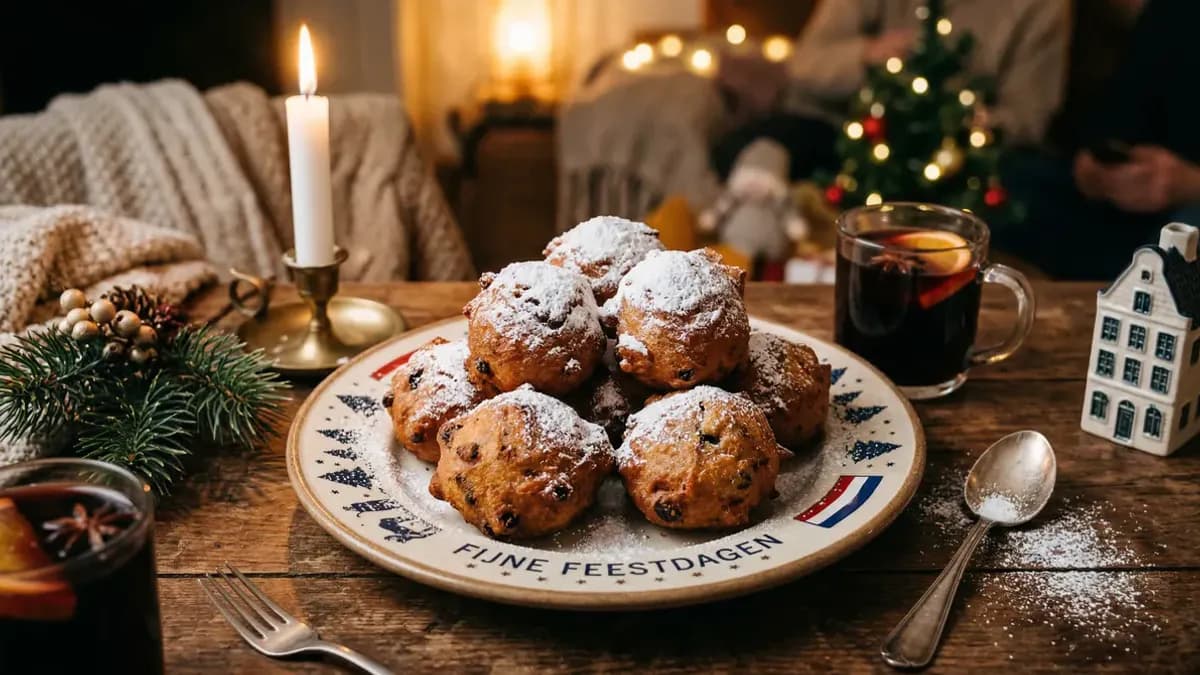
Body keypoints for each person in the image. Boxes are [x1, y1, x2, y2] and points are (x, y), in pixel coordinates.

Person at [712, 0, 1070, 181]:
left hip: (959, 157)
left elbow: (1029, 115)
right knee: (747, 145)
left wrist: (963, 122)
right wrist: (868, 53)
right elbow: (805, 64)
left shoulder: (1041, 8)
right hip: (851, 135)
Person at [996, 0, 1200, 279]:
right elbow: (1120, 111)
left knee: (1184, 234)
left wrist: (1189, 184)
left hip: (1186, 205)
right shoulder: (1176, 11)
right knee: (1008, 181)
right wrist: (1095, 163)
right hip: (1133, 196)